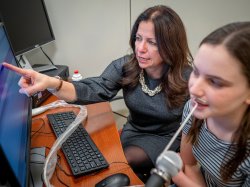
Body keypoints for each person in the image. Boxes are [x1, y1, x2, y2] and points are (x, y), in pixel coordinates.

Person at [3, 5, 192, 181]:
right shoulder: (128, 66)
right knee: (106, 157)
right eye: (138, 38)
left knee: (121, 162)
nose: (140, 49)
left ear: (169, 45)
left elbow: (196, 128)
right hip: (133, 129)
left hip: (165, 138)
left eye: (152, 42)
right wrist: (51, 83)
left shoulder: (188, 79)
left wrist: (183, 161)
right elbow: (95, 88)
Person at [172, 22, 250, 187]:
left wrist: (179, 179)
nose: (195, 89)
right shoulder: (194, 109)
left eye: (214, 82)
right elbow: (190, 165)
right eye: (196, 72)